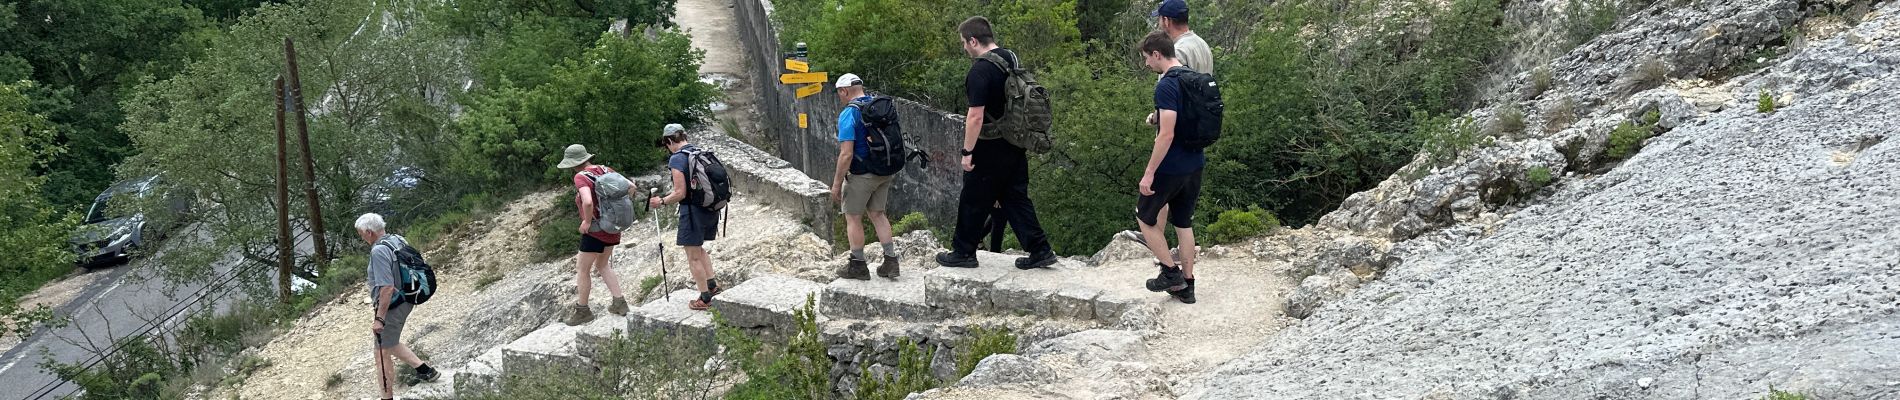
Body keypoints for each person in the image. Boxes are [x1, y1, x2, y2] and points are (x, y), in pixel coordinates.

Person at [936, 16, 1060, 270]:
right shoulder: (1010, 58)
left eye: (964, 42)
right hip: (1015, 141)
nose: (963, 48)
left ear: (973, 40)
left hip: (990, 144)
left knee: (972, 197)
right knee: (1015, 197)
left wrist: (967, 151)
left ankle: (963, 252)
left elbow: (975, 116)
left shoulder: (980, 70)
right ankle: (1040, 250)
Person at [1135, 31, 1207, 304]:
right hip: (1195, 161)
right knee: (1183, 222)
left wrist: (1149, 172)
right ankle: (1188, 287)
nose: (1146, 65)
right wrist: (1158, 116)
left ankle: (1169, 271)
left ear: (1157, 54)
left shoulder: (1166, 84)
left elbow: (1166, 135)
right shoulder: (1193, 78)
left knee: (1145, 217)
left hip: (1172, 164)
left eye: (1146, 58)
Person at [1141, 0, 1215, 245]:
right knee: (1183, 210)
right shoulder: (1201, 44)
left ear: (1166, 21)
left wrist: (1156, 118)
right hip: (1197, 131)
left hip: (1176, 133)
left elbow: (1172, 93)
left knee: (1160, 187)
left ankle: (1154, 238)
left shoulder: (1177, 49)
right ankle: (1174, 249)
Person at [356, 213, 438, 399]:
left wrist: (379, 318)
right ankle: (425, 370)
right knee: (389, 342)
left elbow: (386, 287)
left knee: (381, 355)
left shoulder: (378, 251)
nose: (361, 237)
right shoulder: (396, 239)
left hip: (393, 304)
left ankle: (387, 397)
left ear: (369, 232)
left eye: (361, 234)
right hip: (407, 296)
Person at [830, 73, 901, 280]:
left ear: (844, 91)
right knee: (878, 214)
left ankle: (858, 266)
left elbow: (846, 154)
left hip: (862, 174)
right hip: (885, 170)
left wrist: (836, 185)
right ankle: (890, 262)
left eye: (839, 93)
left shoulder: (849, 114)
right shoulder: (879, 106)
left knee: (853, 217)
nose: (840, 97)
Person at [556, 144, 630, 326]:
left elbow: (587, 202)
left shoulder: (580, 177)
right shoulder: (605, 169)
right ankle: (620, 303)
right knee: (602, 265)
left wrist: (587, 222)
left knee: (582, 270)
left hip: (595, 231)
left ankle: (583, 311)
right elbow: (631, 187)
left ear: (573, 163)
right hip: (613, 228)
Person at [650, 125, 721, 310]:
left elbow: (680, 193)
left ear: (669, 141)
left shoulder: (677, 159)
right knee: (698, 248)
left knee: (692, 256)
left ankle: (705, 298)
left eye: (666, 144)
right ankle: (712, 285)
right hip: (710, 207)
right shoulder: (699, 151)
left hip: (692, 211)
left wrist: (662, 202)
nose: (668, 148)